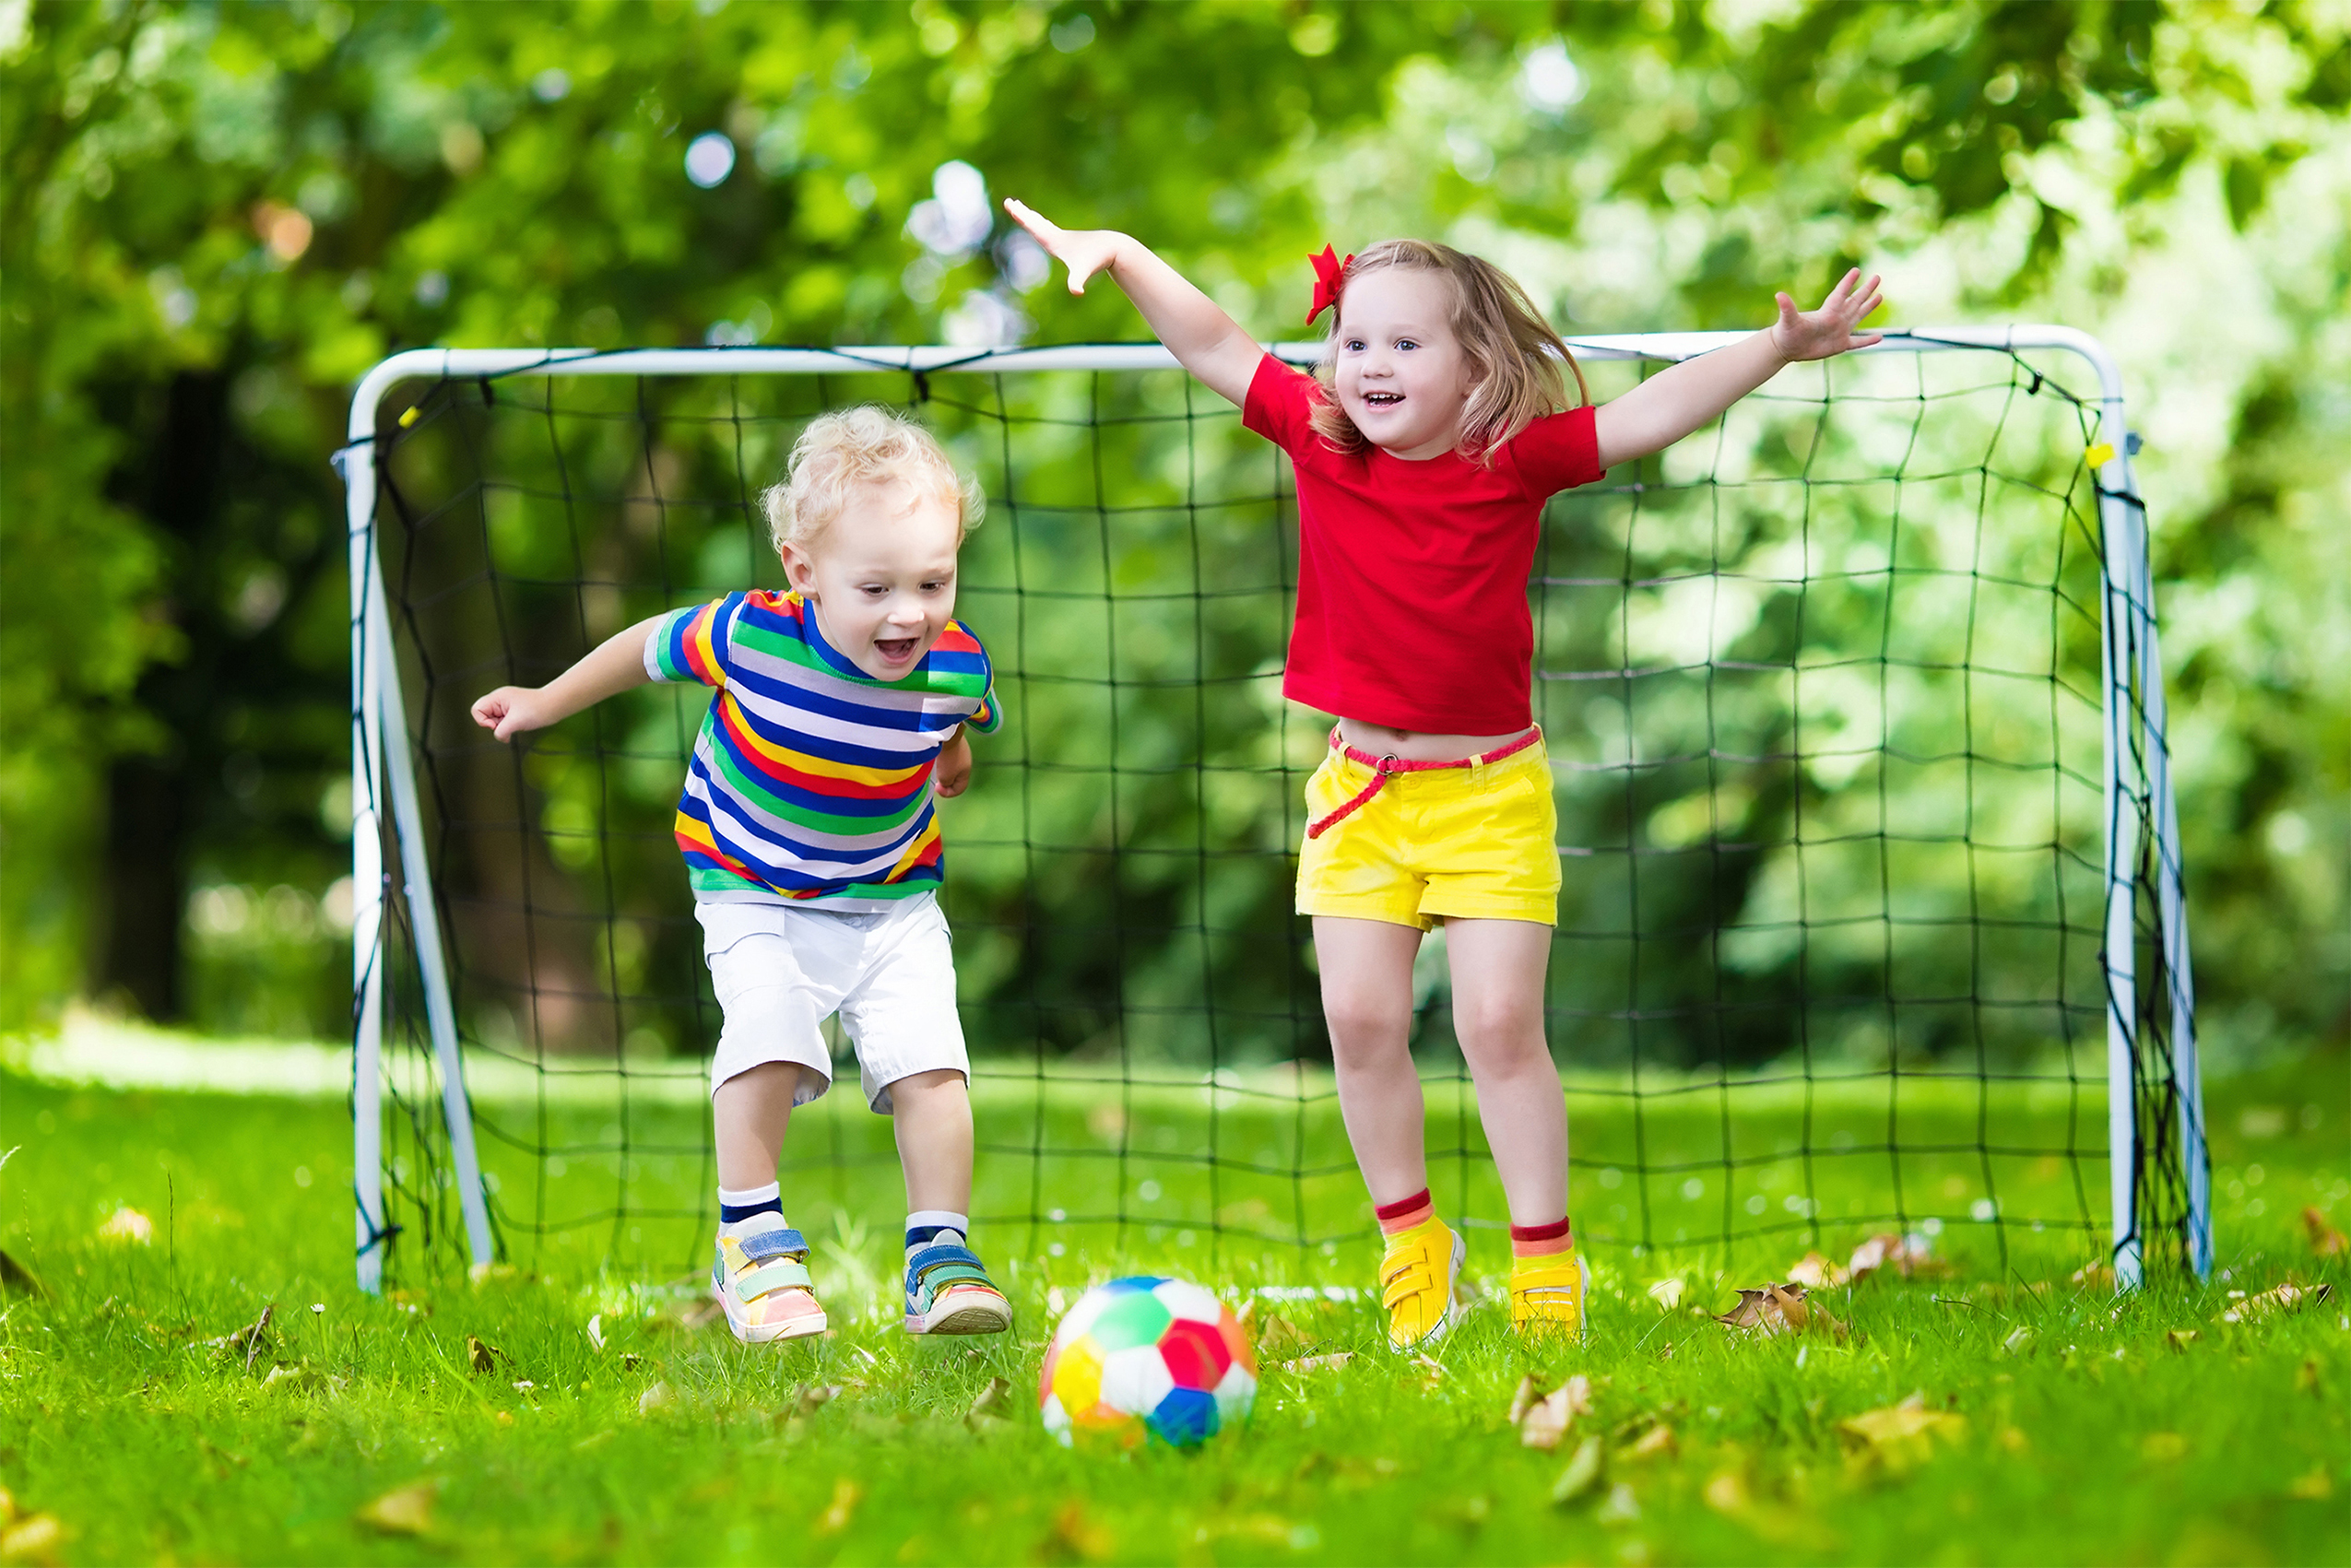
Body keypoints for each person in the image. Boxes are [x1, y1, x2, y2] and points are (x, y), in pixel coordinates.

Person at [1005, 197, 1882, 1348]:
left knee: (1499, 1024)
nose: (1369, 363)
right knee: (1360, 1021)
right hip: (1362, 794)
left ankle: (1543, 1266)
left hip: (1490, 795)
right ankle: (1413, 1243)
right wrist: (1120, 249)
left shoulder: (1510, 461)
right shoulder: (1318, 437)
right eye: (1354, 340)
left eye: (1404, 343)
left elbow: (1645, 416)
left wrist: (1778, 346)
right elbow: (1215, 341)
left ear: (1475, 370)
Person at [470, 406, 1014, 1345]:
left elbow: (951, 719)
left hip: (891, 899)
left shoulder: (957, 662)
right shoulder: (751, 637)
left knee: (935, 1063)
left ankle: (940, 1255)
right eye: (877, 585)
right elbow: (639, 650)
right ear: (804, 574)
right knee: (769, 1034)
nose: (910, 611)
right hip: (752, 884)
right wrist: (542, 701)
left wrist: (952, 757)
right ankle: (752, 1243)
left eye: (935, 580)